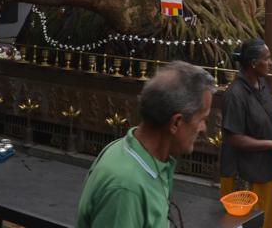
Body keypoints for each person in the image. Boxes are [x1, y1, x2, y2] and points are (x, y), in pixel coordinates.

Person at [76, 61, 216, 228]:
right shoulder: (126, 188)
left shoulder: (139, 154)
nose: (203, 129)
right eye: (202, 119)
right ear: (176, 122)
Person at [220, 39, 272, 228]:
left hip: (267, 167)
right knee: (251, 222)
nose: (271, 63)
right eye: (267, 58)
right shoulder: (235, 95)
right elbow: (234, 139)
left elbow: (264, 118)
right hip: (247, 174)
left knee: (268, 221)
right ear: (254, 63)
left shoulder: (261, 84)